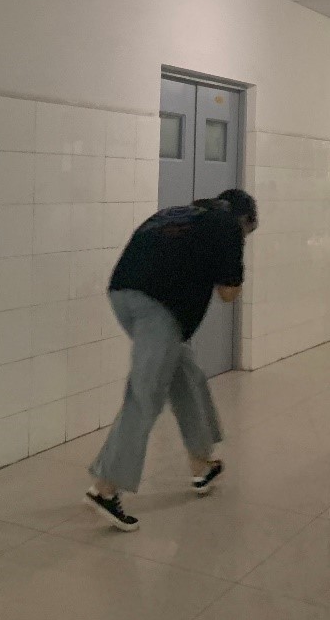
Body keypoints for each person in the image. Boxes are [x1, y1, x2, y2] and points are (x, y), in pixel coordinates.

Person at [86, 190, 259, 531]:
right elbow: (228, 293)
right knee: (145, 395)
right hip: (159, 309)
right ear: (245, 220)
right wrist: (231, 267)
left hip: (122, 294)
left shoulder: (179, 213)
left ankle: (202, 464)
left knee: (186, 376)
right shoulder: (228, 226)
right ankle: (105, 488)